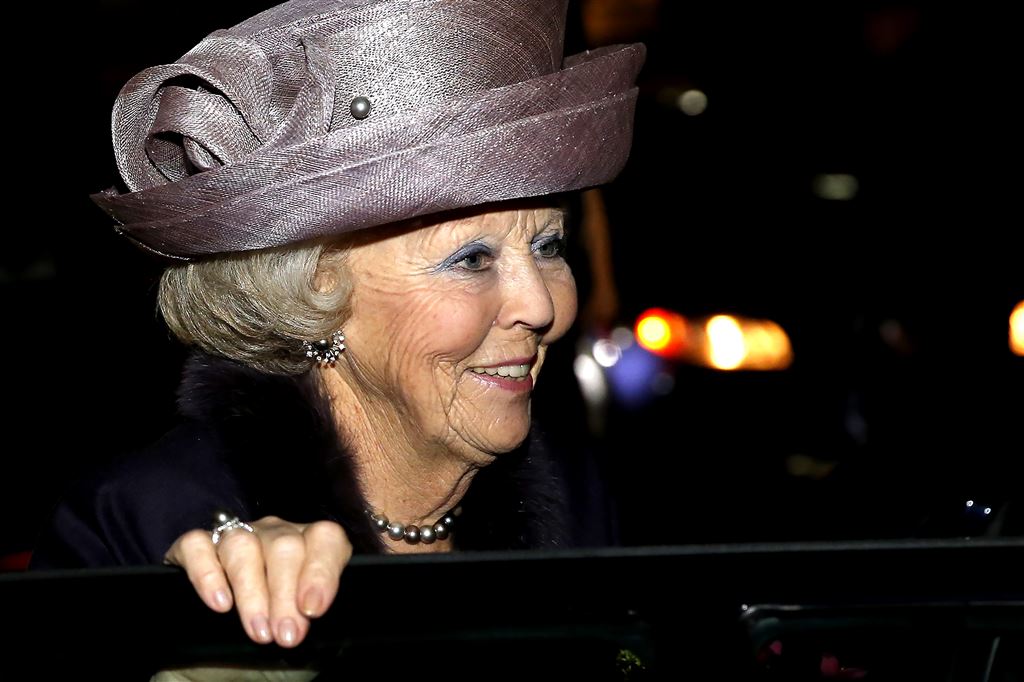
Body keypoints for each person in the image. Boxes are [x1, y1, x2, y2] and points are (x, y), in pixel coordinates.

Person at [31, 0, 644, 654]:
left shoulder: (579, 500)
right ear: (318, 288)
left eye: (548, 246)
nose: (541, 306)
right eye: (472, 259)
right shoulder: (136, 525)